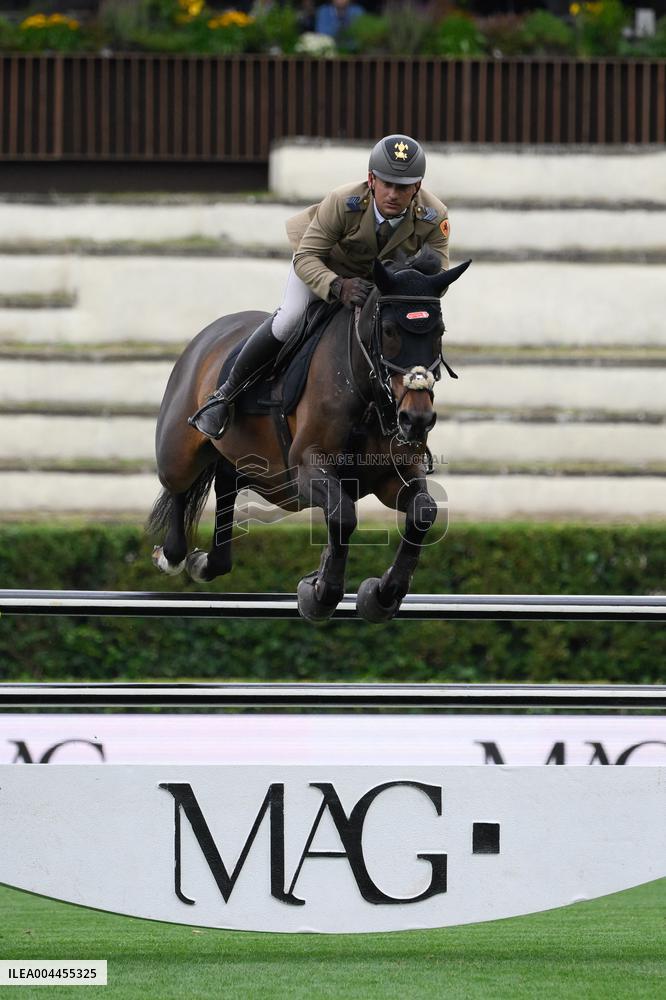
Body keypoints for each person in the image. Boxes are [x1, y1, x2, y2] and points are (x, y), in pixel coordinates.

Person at [189, 133, 450, 439]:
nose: (393, 193)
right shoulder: (344, 202)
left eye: (403, 187)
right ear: (371, 180)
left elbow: (437, 279)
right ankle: (224, 396)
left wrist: (409, 284)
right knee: (289, 318)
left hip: (380, 285)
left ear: (417, 187)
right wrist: (338, 287)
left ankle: (408, 431)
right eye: (386, 184)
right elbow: (307, 257)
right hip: (323, 267)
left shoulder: (434, 216)